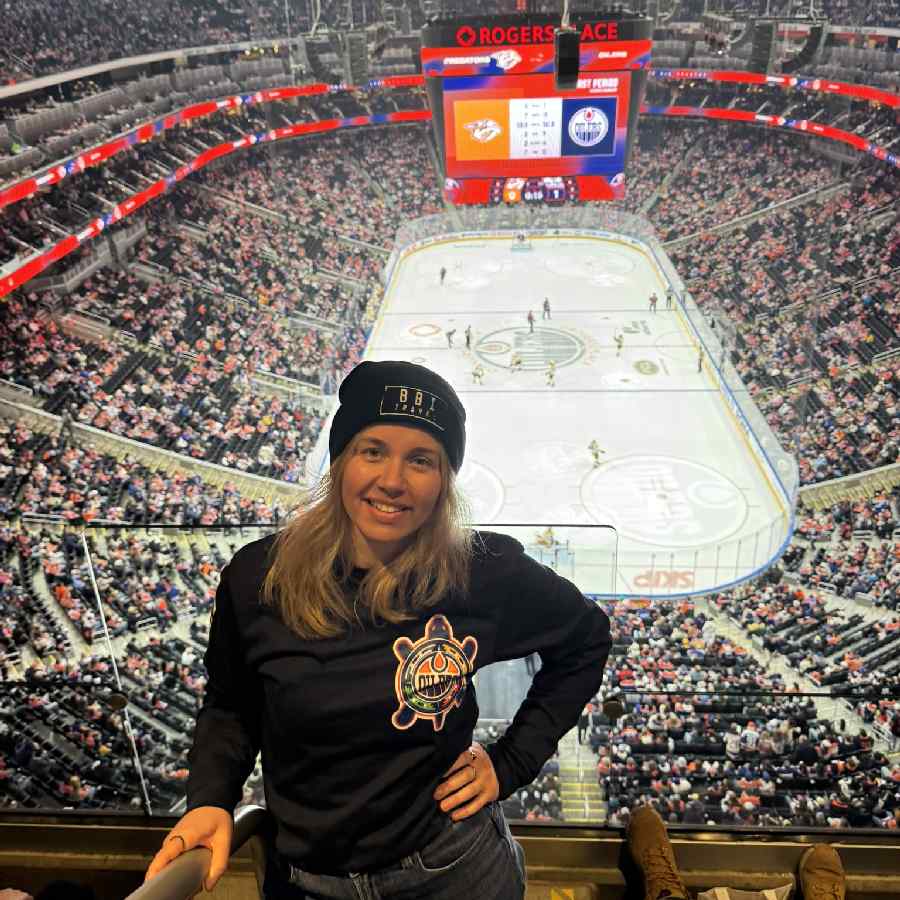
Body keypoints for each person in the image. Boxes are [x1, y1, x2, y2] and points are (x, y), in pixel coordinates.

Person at [145, 360, 612, 900]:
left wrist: (511, 762)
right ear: (341, 460)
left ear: (444, 481)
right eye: (373, 451)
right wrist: (209, 798)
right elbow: (232, 703)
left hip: (454, 871)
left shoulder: (482, 572)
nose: (392, 480)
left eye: (420, 460)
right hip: (307, 883)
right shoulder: (258, 578)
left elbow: (585, 640)